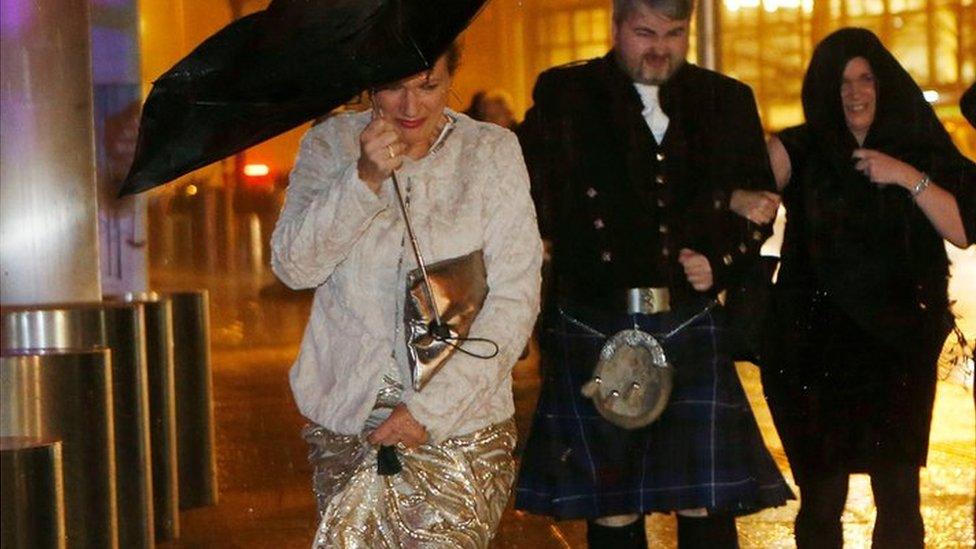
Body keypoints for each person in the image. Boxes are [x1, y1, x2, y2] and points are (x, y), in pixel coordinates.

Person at [513, 0, 794, 546]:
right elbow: (542, 201)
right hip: (594, 320)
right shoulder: (568, 96)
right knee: (612, 507)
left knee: (705, 503)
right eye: (644, 32)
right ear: (615, 28)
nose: (660, 47)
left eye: (674, 32)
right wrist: (719, 200)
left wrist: (719, 260)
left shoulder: (725, 99)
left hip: (687, 320)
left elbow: (761, 209)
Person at [271, 44, 542, 547]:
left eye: (428, 85)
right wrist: (363, 180)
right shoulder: (329, 146)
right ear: (370, 84)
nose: (410, 107)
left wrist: (428, 411)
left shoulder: (490, 151)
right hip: (350, 425)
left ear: (452, 77)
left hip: (459, 422)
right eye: (393, 87)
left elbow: (516, 298)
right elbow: (293, 267)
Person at [762, 28, 975, 548]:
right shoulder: (800, 147)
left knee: (900, 494)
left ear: (883, 84)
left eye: (864, 80)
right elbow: (746, 190)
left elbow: (963, 229)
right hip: (815, 350)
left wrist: (905, 175)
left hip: (897, 350)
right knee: (822, 498)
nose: (854, 93)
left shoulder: (918, 145)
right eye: (841, 84)